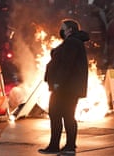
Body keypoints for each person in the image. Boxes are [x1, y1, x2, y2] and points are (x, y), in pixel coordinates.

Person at [39, 19, 89, 155]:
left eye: (63, 27)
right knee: (60, 115)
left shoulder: (72, 43)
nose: (60, 30)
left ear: (69, 30)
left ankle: (68, 146)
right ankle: (59, 145)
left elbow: (67, 65)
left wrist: (58, 82)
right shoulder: (73, 42)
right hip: (67, 88)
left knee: (63, 115)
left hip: (65, 88)